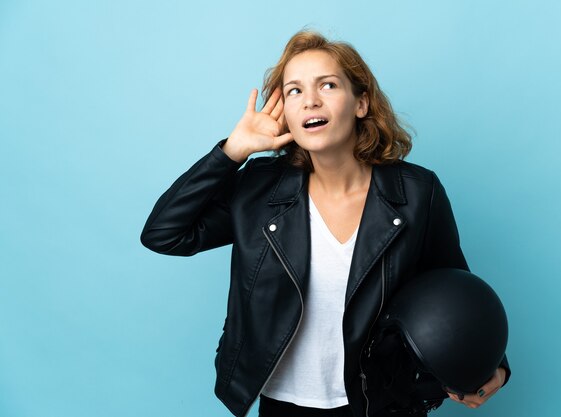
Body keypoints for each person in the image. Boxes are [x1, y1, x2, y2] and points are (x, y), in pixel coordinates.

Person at [141, 30, 510, 417]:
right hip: (283, 403)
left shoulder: (417, 193)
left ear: (361, 103)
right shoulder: (258, 191)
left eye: (328, 85)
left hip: (380, 403)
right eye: (294, 91)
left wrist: (492, 366)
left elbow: (454, 292)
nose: (310, 100)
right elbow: (164, 233)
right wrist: (232, 152)